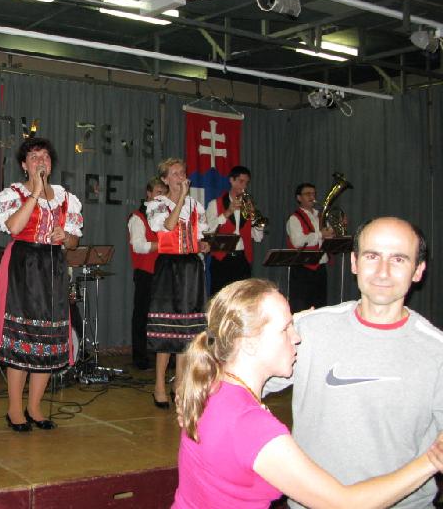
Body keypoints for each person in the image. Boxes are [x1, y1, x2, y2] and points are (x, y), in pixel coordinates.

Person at [174, 277, 443, 509]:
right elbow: (346, 504)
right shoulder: (251, 427)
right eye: (285, 329)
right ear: (249, 343)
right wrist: (431, 460)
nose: (298, 337)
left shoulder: (211, 386)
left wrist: (294, 319)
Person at [264, 216, 443, 508]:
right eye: (372, 256)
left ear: (418, 270)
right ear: (354, 263)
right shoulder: (308, 330)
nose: (383, 271)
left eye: (398, 259)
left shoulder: (437, 351)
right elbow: (238, 384)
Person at [0, 137, 83, 432]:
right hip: (24, 267)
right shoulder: (13, 194)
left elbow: (74, 241)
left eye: (45, 157)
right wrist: (36, 193)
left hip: (52, 267)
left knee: (48, 339)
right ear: (24, 165)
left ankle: (35, 406)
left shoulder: (66, 198)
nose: (41, 161)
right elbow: (14, 227)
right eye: (34, 157)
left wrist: (65, 237)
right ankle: (15, 408)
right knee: (23, 337)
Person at [146, 158, 209, 409]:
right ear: (164, 179)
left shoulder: (195, 206)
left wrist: (203, 244)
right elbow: (168, 226)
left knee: (186, 330)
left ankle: (180, 384)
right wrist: (181, 197)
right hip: (169, 267)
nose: (180, 177)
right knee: (166, 329)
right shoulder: (157, 204)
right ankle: (159, 385)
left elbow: (199, 235)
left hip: (191, 266)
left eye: (182, 172)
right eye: (174, 173)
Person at [127, 176, 167, 370]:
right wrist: (164, 244)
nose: (161, 197)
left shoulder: (167, 217)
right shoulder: (137, 217)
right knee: (142, 316)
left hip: (164, 272)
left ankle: (167, 358)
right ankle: (140, 358)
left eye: (164, 193)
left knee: (165, 317)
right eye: (158, 192)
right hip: (146, 272)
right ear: (148, 194)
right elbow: (138, 246)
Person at [206, 165, 264, 296]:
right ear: (231, 180)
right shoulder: (215, 204)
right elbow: (208, 230)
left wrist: (254, 217)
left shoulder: (248, 206)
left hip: (242, 259)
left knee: (242, 298)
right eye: (241, 181)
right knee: (220, 298)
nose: (244, 186)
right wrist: (227, 212)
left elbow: (258, 237)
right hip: (222, 259)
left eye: (246, 183)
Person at [285, 182, 333, 312]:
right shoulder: (294, 218)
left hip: (320, 267)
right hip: (302, 269)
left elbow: (328, 237)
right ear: (299, 198)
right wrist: (320, 234)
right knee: (302, 307)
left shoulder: (321, 216)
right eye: (308, 194)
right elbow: (298, 241)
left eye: (313, 194)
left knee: (320, 307)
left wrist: (336, 230)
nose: (312, 197)